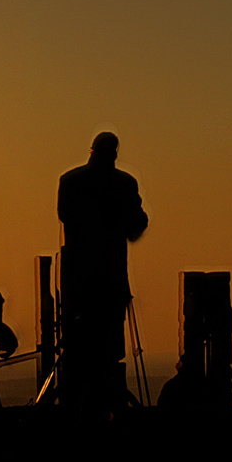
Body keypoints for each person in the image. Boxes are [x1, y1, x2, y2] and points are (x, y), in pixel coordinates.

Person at [57, 131, 148, 410]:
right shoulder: (124, 184)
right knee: (108, 351)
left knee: (75, 349)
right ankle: (108, 404)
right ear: (115, 153)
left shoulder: (70, 181)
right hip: (111, 281)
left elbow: (65, 216)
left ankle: (74, 406)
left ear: (92, 151)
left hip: (77, 282)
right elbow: (137, 225)